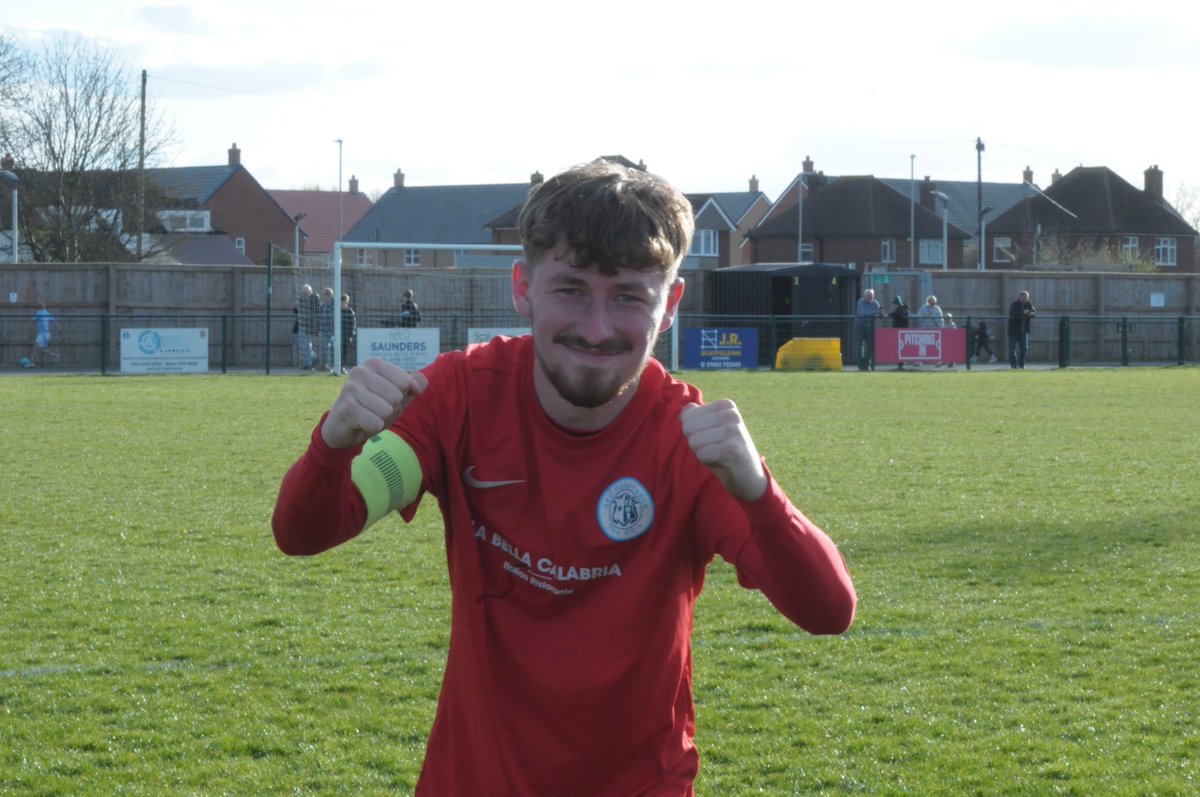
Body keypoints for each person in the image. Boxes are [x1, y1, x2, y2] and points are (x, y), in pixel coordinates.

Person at [272, 161, 856, 797]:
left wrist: (761, 495)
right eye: (571, 289)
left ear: (669, 306)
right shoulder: (456, 396)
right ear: (523, 286)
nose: (596, 328)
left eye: (629, 296)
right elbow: (306, 532)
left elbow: (828, 611)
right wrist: (333, 446)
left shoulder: (692, 445)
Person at [1007, 290, 1037, 369]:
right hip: (1013, 330)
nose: (1025, 300)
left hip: (1023, 330)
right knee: (1012, 349)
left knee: (1024, 348)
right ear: (1020, 297)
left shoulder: (1029, 304)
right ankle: (1014, 365)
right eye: (1023, 298)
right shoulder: (1014, 305)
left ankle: (1021, 365)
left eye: (1026, 298)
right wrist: (1022, 313)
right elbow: (1012, 314)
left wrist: (1031, 313)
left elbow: (1034, 313)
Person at [854, 288, 881, 370]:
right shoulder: (860, 302)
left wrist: (880, 313)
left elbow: (879, 313)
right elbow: (862, 313)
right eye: (868, 296)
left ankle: (866, 365)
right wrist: (875, 313)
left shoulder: (875, 303)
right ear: (864, 296)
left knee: (870, 346)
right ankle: (860, 365)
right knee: (859, 346)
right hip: (860, 327)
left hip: (869, 328)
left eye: (871, 296)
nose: (870, 298)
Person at [295, 284, 320, 370]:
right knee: (301, 344)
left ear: (311, 291)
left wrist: (302, 305)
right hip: (301, 324)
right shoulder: (301, 299)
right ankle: (315, 357)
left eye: (307, 291)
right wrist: (297, 307)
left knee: (307, 344)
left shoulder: (315, 298)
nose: (306, 293)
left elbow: (316, 308)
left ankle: (309, 364)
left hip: (309, 325)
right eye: (304, 291)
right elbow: (296, 311)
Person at [318, 287, 336, 371]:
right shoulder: (323, 305)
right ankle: (326, 365)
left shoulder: (335, 305)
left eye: (325, 295)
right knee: (325, 347)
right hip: (325, 329)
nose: (324, 297)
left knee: (332, 348)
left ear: (330, 295)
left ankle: (333, 365)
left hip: (333, 330)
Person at [340, 293, 357, 373]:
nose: (343, 303)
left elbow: (353, 324)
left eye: (345, 301)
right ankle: (335, 366)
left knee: (344, 351)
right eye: (342, 301)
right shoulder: (337, 311)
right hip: (338, 334)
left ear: (347, 302)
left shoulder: (350, 312)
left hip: (346, 335)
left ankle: (342, 366)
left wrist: (351, 334)